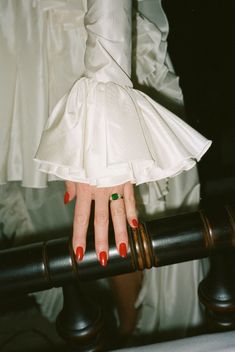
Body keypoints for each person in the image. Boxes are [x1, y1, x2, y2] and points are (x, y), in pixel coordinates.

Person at [0, 0, 211, 341]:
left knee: (126, 198)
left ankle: (131, 327)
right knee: (74, 203)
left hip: (88, 37)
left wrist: (105, 98)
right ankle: (110, 323)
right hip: (18, 47)